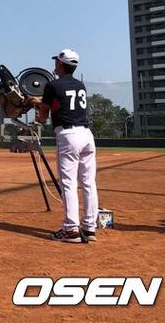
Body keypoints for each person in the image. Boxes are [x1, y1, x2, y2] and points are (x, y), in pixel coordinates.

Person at [31, 49, 98, 243]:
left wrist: (39, 110)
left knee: (68, 184)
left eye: (57, 62)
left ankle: (71, 230)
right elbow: (62, 102)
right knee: (88, 183)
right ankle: (89, 228)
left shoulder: (52, 85)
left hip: (69, 136)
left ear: (61, 64)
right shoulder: (80, 85)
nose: (55, 65)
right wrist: (42, 102)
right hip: (86, 135)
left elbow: (44, 115)